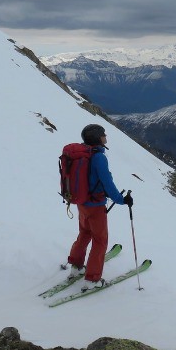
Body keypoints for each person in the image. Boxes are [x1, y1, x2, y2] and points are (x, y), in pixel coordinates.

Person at [67, 124, 133, 291]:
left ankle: (76, 266)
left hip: (81, 202)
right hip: (96, 205)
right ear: (97, 138)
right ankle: (92, 279)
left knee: (84, 233)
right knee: (100, 240)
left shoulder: (83, 154)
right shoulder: (98, 158)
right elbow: (107, 183)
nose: (106, 136)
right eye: (103, 134)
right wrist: (121, 200)